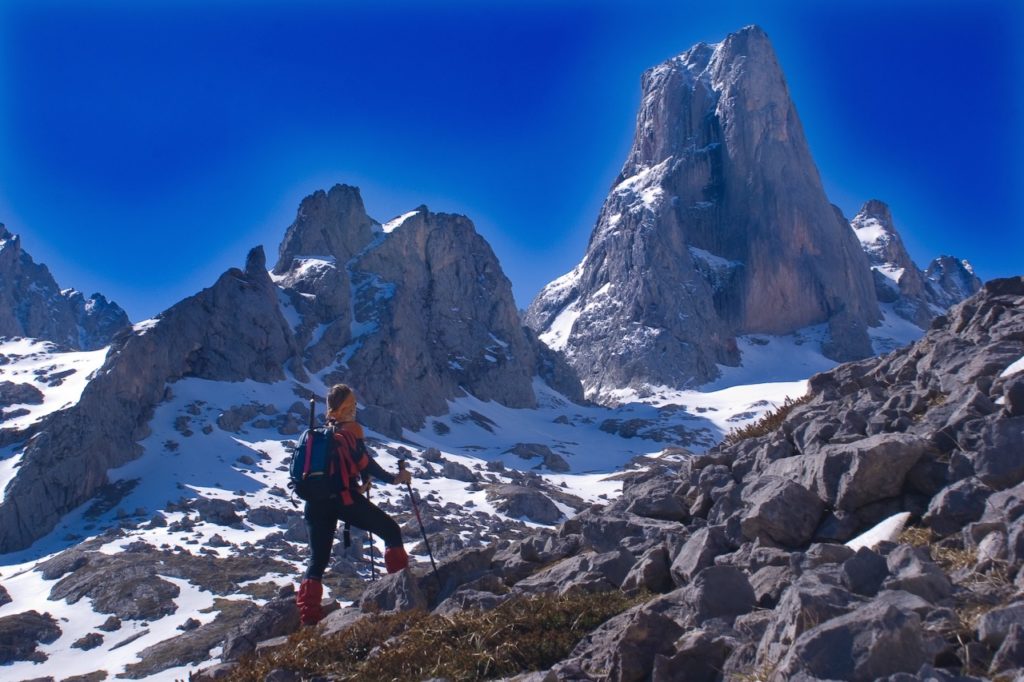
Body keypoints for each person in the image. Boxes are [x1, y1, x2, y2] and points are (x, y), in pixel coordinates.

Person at [296, 383, 412, 625]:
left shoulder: (320, 434)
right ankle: (404, 593)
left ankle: (308, 620)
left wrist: (358, 486)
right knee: (391, 531)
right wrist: (394, 478)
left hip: (315, 503)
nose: (356, 408)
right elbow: (365, 463)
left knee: (316, 561)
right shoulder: (351, 430)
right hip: (343, 500)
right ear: (347, 407)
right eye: (353, 404)